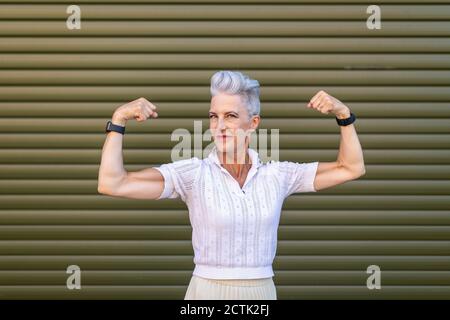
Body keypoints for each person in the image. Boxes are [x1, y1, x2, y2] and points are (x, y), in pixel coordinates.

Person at [98, 70, 366, 300]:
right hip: (206, 294)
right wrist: (119, 120)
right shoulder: (193, 174)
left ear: (253, 123)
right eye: (214, 116)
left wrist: (343, 115)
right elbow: (113, 183)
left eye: (231, 116)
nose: (220, 126)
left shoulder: (278, 175)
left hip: (261, 293)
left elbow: (351, 167)